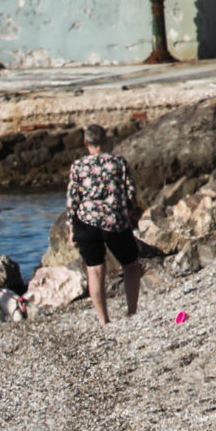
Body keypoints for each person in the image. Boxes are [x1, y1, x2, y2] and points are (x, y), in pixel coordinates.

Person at [66, 123, 144, 325]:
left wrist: (70, 227)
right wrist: (128, 214)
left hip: (86, 222)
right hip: (114, 221)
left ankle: (103, 320)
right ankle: (131, 312)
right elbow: (130, 194)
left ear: (86, 143)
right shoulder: (119, 162)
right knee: (131, 266)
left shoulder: (78, 166)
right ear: (106, 140)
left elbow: (73, 199)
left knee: (94, 270)